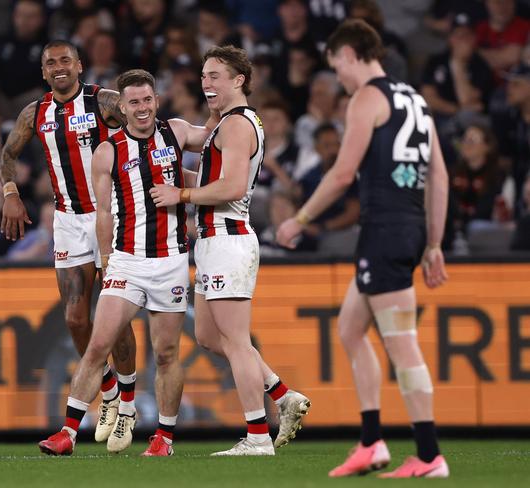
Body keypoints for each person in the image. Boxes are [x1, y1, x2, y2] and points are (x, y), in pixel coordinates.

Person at [276, 19, 450, 478]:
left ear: (351, 54)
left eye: (337, 66)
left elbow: (340, 174)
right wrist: (433, 242)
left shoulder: (367, 98)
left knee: (402, 344)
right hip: (408, 228)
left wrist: (300, 219)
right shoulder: (414, 98)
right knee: (351, 329)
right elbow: (438, 175)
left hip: (385, 230)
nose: (339, 78)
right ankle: (371, 442)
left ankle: (430, 456)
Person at [38, 68, 215, 457]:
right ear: (121, 105)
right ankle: (68, 432)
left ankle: (164, 439)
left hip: (170, 260)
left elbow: (219, 139)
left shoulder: (178, 131)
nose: (141, 108)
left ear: (157, 100)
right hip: (127, 261)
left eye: (147, 100)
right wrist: (106, 260)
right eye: (133, 101)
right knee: (98, 343)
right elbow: (103, 213)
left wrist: (231, 104)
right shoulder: (109, 150)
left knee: (167, 352)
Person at [150, 45, 311, 455]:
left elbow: (233, 187)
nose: (206, 83)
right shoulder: (227, 124)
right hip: (211, 241)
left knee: (237, 340)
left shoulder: (237, 125)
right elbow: (213, 177)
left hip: (227, 237)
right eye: (204, 76)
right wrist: (170, 176)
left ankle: (258, 436)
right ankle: (281, 393)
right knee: (206, 335)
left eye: (215, 75)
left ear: (239, 80)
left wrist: (180, 193)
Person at [0, 39, 137, 447]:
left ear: (79, 65)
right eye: (50, 63)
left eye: (65, 60)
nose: (58, 67)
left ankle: (127, 402)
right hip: (68, 221)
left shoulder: (104, 101)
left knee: (116, 317)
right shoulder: (35, 112)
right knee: (76, 319)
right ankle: (109, 389)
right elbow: (8, 154)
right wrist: (10, 191)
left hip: (112, 216)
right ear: (43, 72)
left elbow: (147, 124)